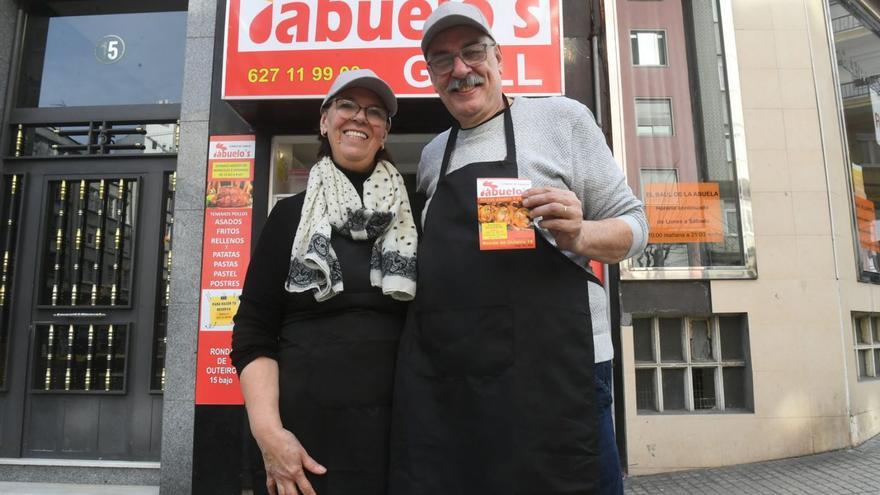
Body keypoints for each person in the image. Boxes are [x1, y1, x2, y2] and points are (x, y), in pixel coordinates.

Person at [389, 4, 647, 495]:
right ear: (430, 76)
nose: (461, 70)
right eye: (443, 60)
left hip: (559, 374)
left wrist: (579, 235)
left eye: (472, 52)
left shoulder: (560, 119)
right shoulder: (430, 156)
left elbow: (636, 226)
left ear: (499, 57)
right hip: (462, 382)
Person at [231, 69, 418, 495]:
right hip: (305, 442)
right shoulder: (290, 218)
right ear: (324, 120)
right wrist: (269, 435)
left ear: (385, 132)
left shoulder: (416, 216)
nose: (359, 118)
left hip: (400, 438)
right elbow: (253, 332)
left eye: (374, 112)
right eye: (347, 105)